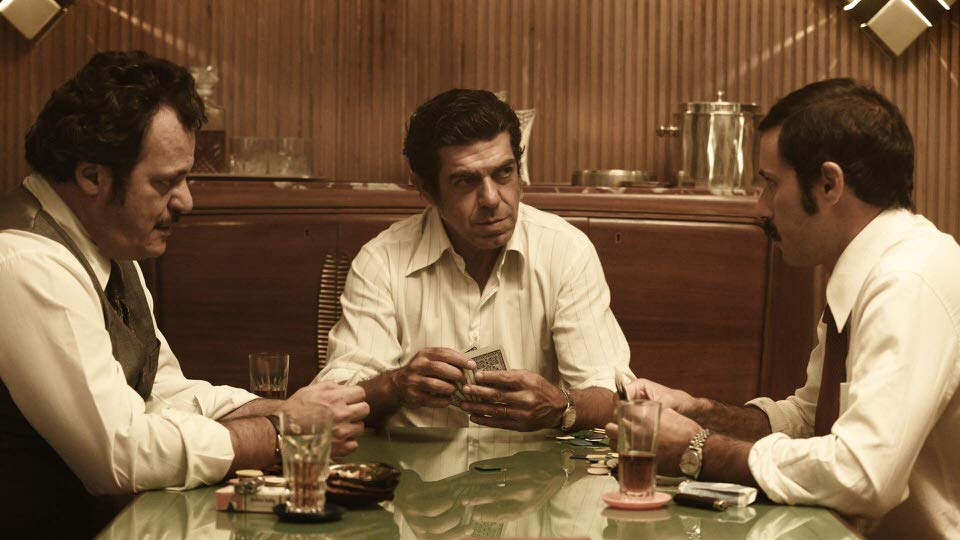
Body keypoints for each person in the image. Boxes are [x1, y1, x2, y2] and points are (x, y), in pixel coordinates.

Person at [0, 51, 368, 536]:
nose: (187, 201)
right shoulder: (25, 262)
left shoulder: (109, 243)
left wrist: (286, 410)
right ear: (92, 176)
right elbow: (121, 456)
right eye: (165, 182)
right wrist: (283, 433)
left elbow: (164, 394)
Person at [608, 78, 959, 538]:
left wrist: (698, 449)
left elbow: (864, 473)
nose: (761, 207)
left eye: (771, 184)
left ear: (829, 184)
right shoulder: (869, 270)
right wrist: (698, 411)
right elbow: (811, 423)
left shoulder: (907, 282)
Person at [315, 89, 631, 431]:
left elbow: (612, 398)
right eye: (466, 181)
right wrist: (395, 385)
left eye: (504, 172)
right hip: (411, 466)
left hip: (536, 465)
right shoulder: (381, 260)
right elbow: (334, 402)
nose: (491, 198)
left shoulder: (566, 250)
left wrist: (561, 405)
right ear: (427, 189)